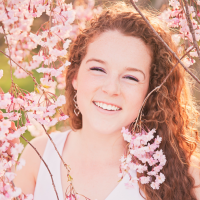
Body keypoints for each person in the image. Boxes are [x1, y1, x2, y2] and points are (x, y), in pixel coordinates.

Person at [14, 2, 200, 200]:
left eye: (131, 77)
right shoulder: (38, 156)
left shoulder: (188, 178)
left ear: (150, 92)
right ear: (74, 76)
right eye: (98, 69)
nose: (111, 89)